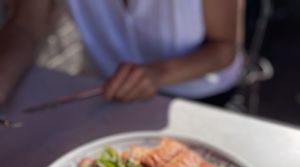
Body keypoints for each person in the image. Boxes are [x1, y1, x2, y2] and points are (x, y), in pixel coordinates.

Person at [0, 0, 245, 105]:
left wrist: (158, 73)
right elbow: (25, 26)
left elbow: (224, 49)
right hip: (110, 91)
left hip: (202, 97)